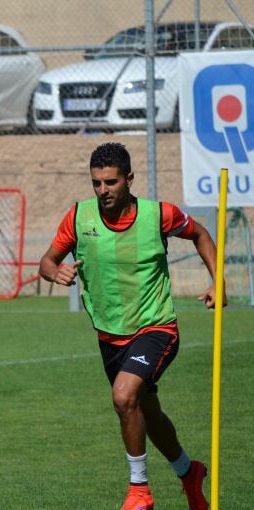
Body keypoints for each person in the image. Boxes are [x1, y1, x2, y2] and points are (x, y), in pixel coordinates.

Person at [39, 142, 222, 510]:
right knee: (146, 414)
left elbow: (201, 234)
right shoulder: (78, 217)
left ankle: (139, 492)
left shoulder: (159, 215)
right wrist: (53, 271)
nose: (103, 190)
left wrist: (218, 280)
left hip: (156, 328)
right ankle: (190, 472)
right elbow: (47, 260)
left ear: (129, 179)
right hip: (110, 337)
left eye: (110, 182)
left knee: (124, 396)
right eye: (96, 183)